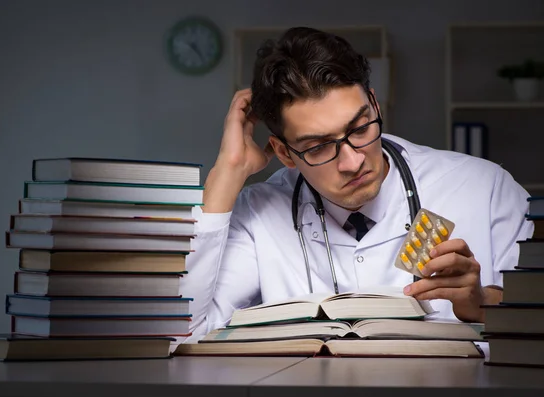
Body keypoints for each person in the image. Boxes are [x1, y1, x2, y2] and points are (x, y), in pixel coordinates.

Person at [181, 27, 534, 341]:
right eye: (318, 147)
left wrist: (482, 303)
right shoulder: (257, 213)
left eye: (360, 129)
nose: (353, 162)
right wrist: (226, 173)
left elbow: (535, 326)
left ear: (375, 104)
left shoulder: (485, 188)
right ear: (285, 154)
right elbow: (182, 332)